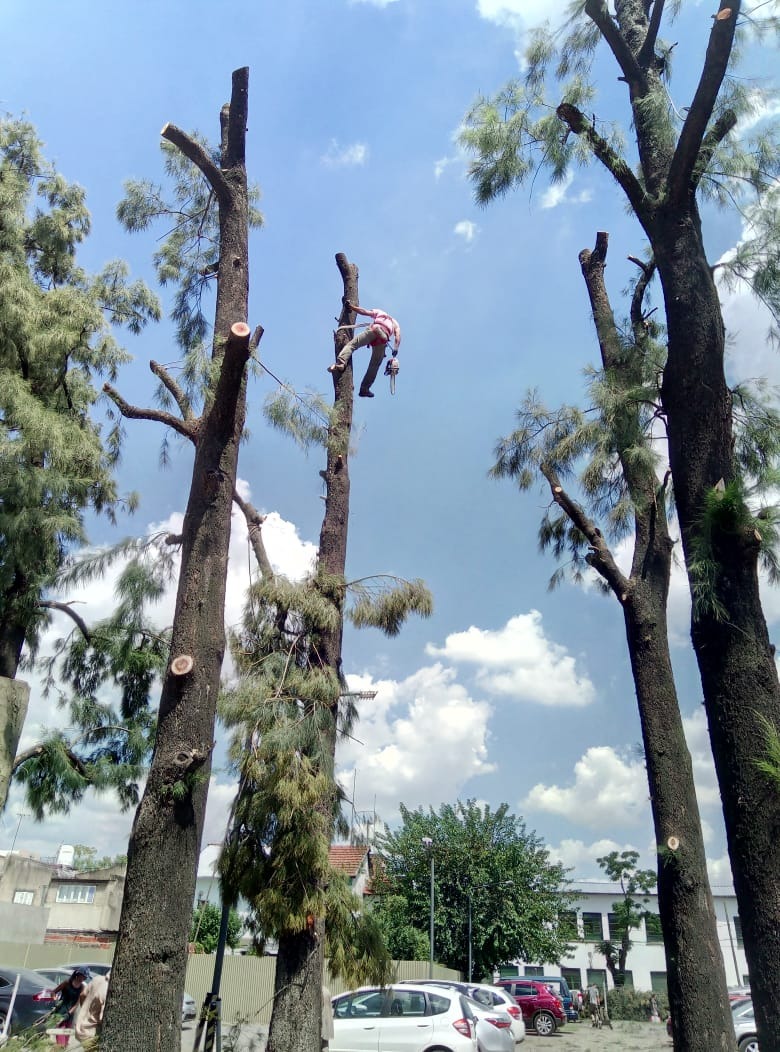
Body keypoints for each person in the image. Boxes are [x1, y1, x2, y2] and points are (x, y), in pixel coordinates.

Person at [328, 302, 401, 398]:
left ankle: (341, 363)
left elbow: (364, 311)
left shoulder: (380, 312)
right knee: (374, 366)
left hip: (374, 330)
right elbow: (397, 336)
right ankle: (364, 389)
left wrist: (351, 307)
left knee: (353, 344)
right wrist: (396, 348)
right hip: (383, 339)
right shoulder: (395, 323)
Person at [73, 971, 109, 1046]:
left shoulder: (97, 979)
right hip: (92, 1032)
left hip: (81, 1027)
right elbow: (101, 1019)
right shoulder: (109, 989)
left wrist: (85, 1010)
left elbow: (82, 995)